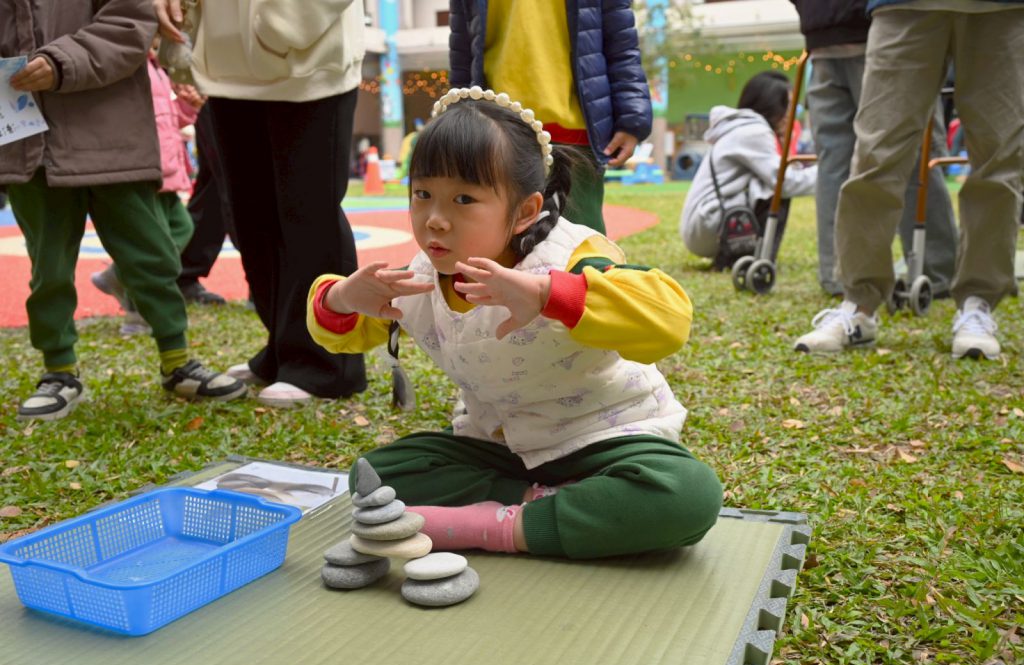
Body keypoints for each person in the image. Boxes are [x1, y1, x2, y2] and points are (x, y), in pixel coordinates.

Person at [307, 88, 722, 559]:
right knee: (377, 474)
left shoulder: (569, 256)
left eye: (464, 198)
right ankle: (539, 506)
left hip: (602, 438)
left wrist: (549, 295)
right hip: (500, 449)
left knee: (689, 494)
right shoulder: (420, 279)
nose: (435, 220)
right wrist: (340, 297)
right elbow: (344, 332)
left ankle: (496, 526)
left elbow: (670, 318)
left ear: (525, 211)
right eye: (422, 194)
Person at [1, 0, 246, 421]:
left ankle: (177, 359)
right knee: (48, 267)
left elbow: (131, 20)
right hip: (30, 143)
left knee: (151, 254)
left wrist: (61, 62)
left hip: (110, 135)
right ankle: (59, 370)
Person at [154, 0, 368, 407]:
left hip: (308, 55)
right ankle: (283, 348)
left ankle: (327, 362)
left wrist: (282, 24)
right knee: (252, 218)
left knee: (308, 215)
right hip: (225, 64)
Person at [793, 1, 1023, 360]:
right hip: (901, 5)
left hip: (1001, 7)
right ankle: (859, 304)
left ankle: (978, 303)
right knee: (875, 153)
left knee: (999, 157)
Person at [791, 0, 959, 298]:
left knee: (833, 164)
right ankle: (936, 272)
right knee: (912, 152)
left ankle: (839, 274)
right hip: (883, 28)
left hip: (821, 36)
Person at [448, 0, 652, 235]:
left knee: (581, 244)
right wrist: (458, 118)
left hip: (575, 131)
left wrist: (632, 116)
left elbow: (621, 43)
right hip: (496, 130)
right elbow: (462, 51)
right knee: (494, 242)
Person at [90, 43, 204, 334]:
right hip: (145, 171)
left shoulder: (157, 69)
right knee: (152, 247)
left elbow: (169, 119)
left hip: (167, 171)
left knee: (181, 228)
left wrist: (187, 105)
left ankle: (118, 275)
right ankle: (136, 314)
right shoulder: (130, 67)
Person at [679, 71, 817, 269]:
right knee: (776, 191)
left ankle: (739, 255)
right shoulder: (754, 132)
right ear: (772, 105)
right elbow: (786, 182)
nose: (791, 113)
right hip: (708, 226)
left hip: (704, 223)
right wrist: (828, 172)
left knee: (770, 184)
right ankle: (759, 260)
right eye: (788, 105)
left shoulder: (742, 128)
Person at [176, 104, 233, 306]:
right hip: (226, 96)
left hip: (220, 96)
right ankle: (266, 281)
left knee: (215, 186)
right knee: (231, 180)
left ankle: (183, 273)